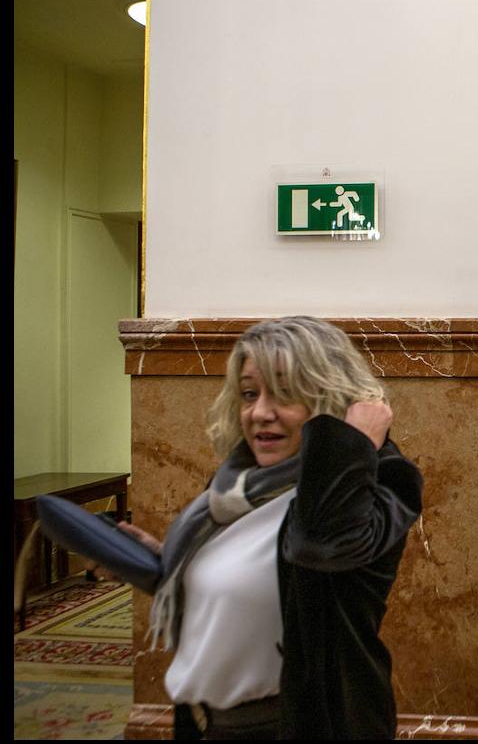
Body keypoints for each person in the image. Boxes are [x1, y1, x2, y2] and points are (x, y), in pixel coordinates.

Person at [91, 316, 423, 739]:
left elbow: (322, 546)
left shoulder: (377, 482)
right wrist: (165, 562)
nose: (260, 413)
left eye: (285, 393)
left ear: (329, 395)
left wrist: (351, 440)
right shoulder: (238, 487)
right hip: (208, 722)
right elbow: (250, 585)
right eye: (249, 394)